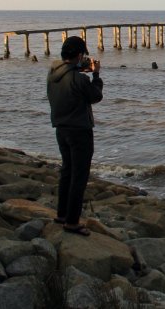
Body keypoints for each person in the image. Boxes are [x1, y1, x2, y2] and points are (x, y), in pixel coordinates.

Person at [47, 36, 103, 236]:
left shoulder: (53, 72)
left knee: (67, 172)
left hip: (61, 129)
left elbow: (69, 75)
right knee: (79, 177)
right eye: (83, 56)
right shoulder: (80, 79)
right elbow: (96, 96)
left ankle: (62, 214)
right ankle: (72, 222)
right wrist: (96, 75)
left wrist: (79, 70)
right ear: (79, 55)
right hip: (79, 131)